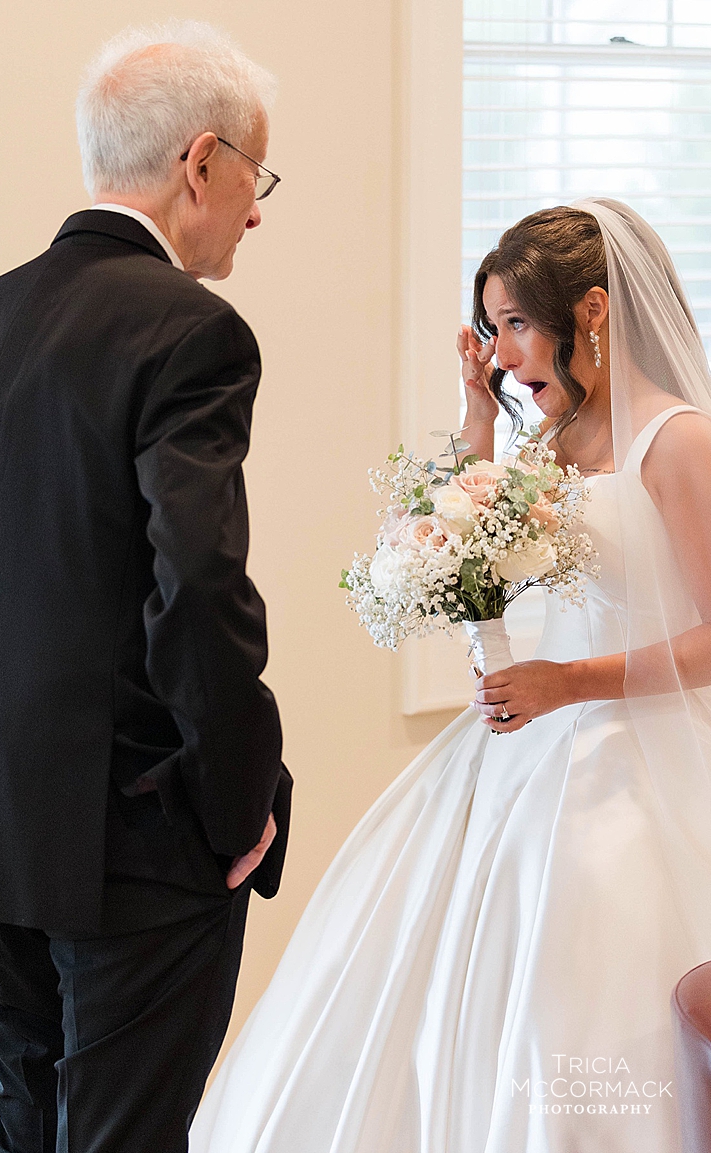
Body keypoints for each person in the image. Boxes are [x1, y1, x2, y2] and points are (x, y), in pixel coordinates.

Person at [190, 199, 711, 1151]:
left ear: (592, 310)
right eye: (492, 327)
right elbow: (470, 544)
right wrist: (477, 415)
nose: (502, 353)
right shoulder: (551, 441)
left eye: (515, 324)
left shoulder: (677, 441)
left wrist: (568, 682)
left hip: (630, 758)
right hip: (521, 743)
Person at [0, 22, 292, 1152]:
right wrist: (239, 801)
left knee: (29, 1124)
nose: (254, 212)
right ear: (201, 161)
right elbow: (197, 585)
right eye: (254, 176)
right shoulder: (192, 330)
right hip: (132, 840)